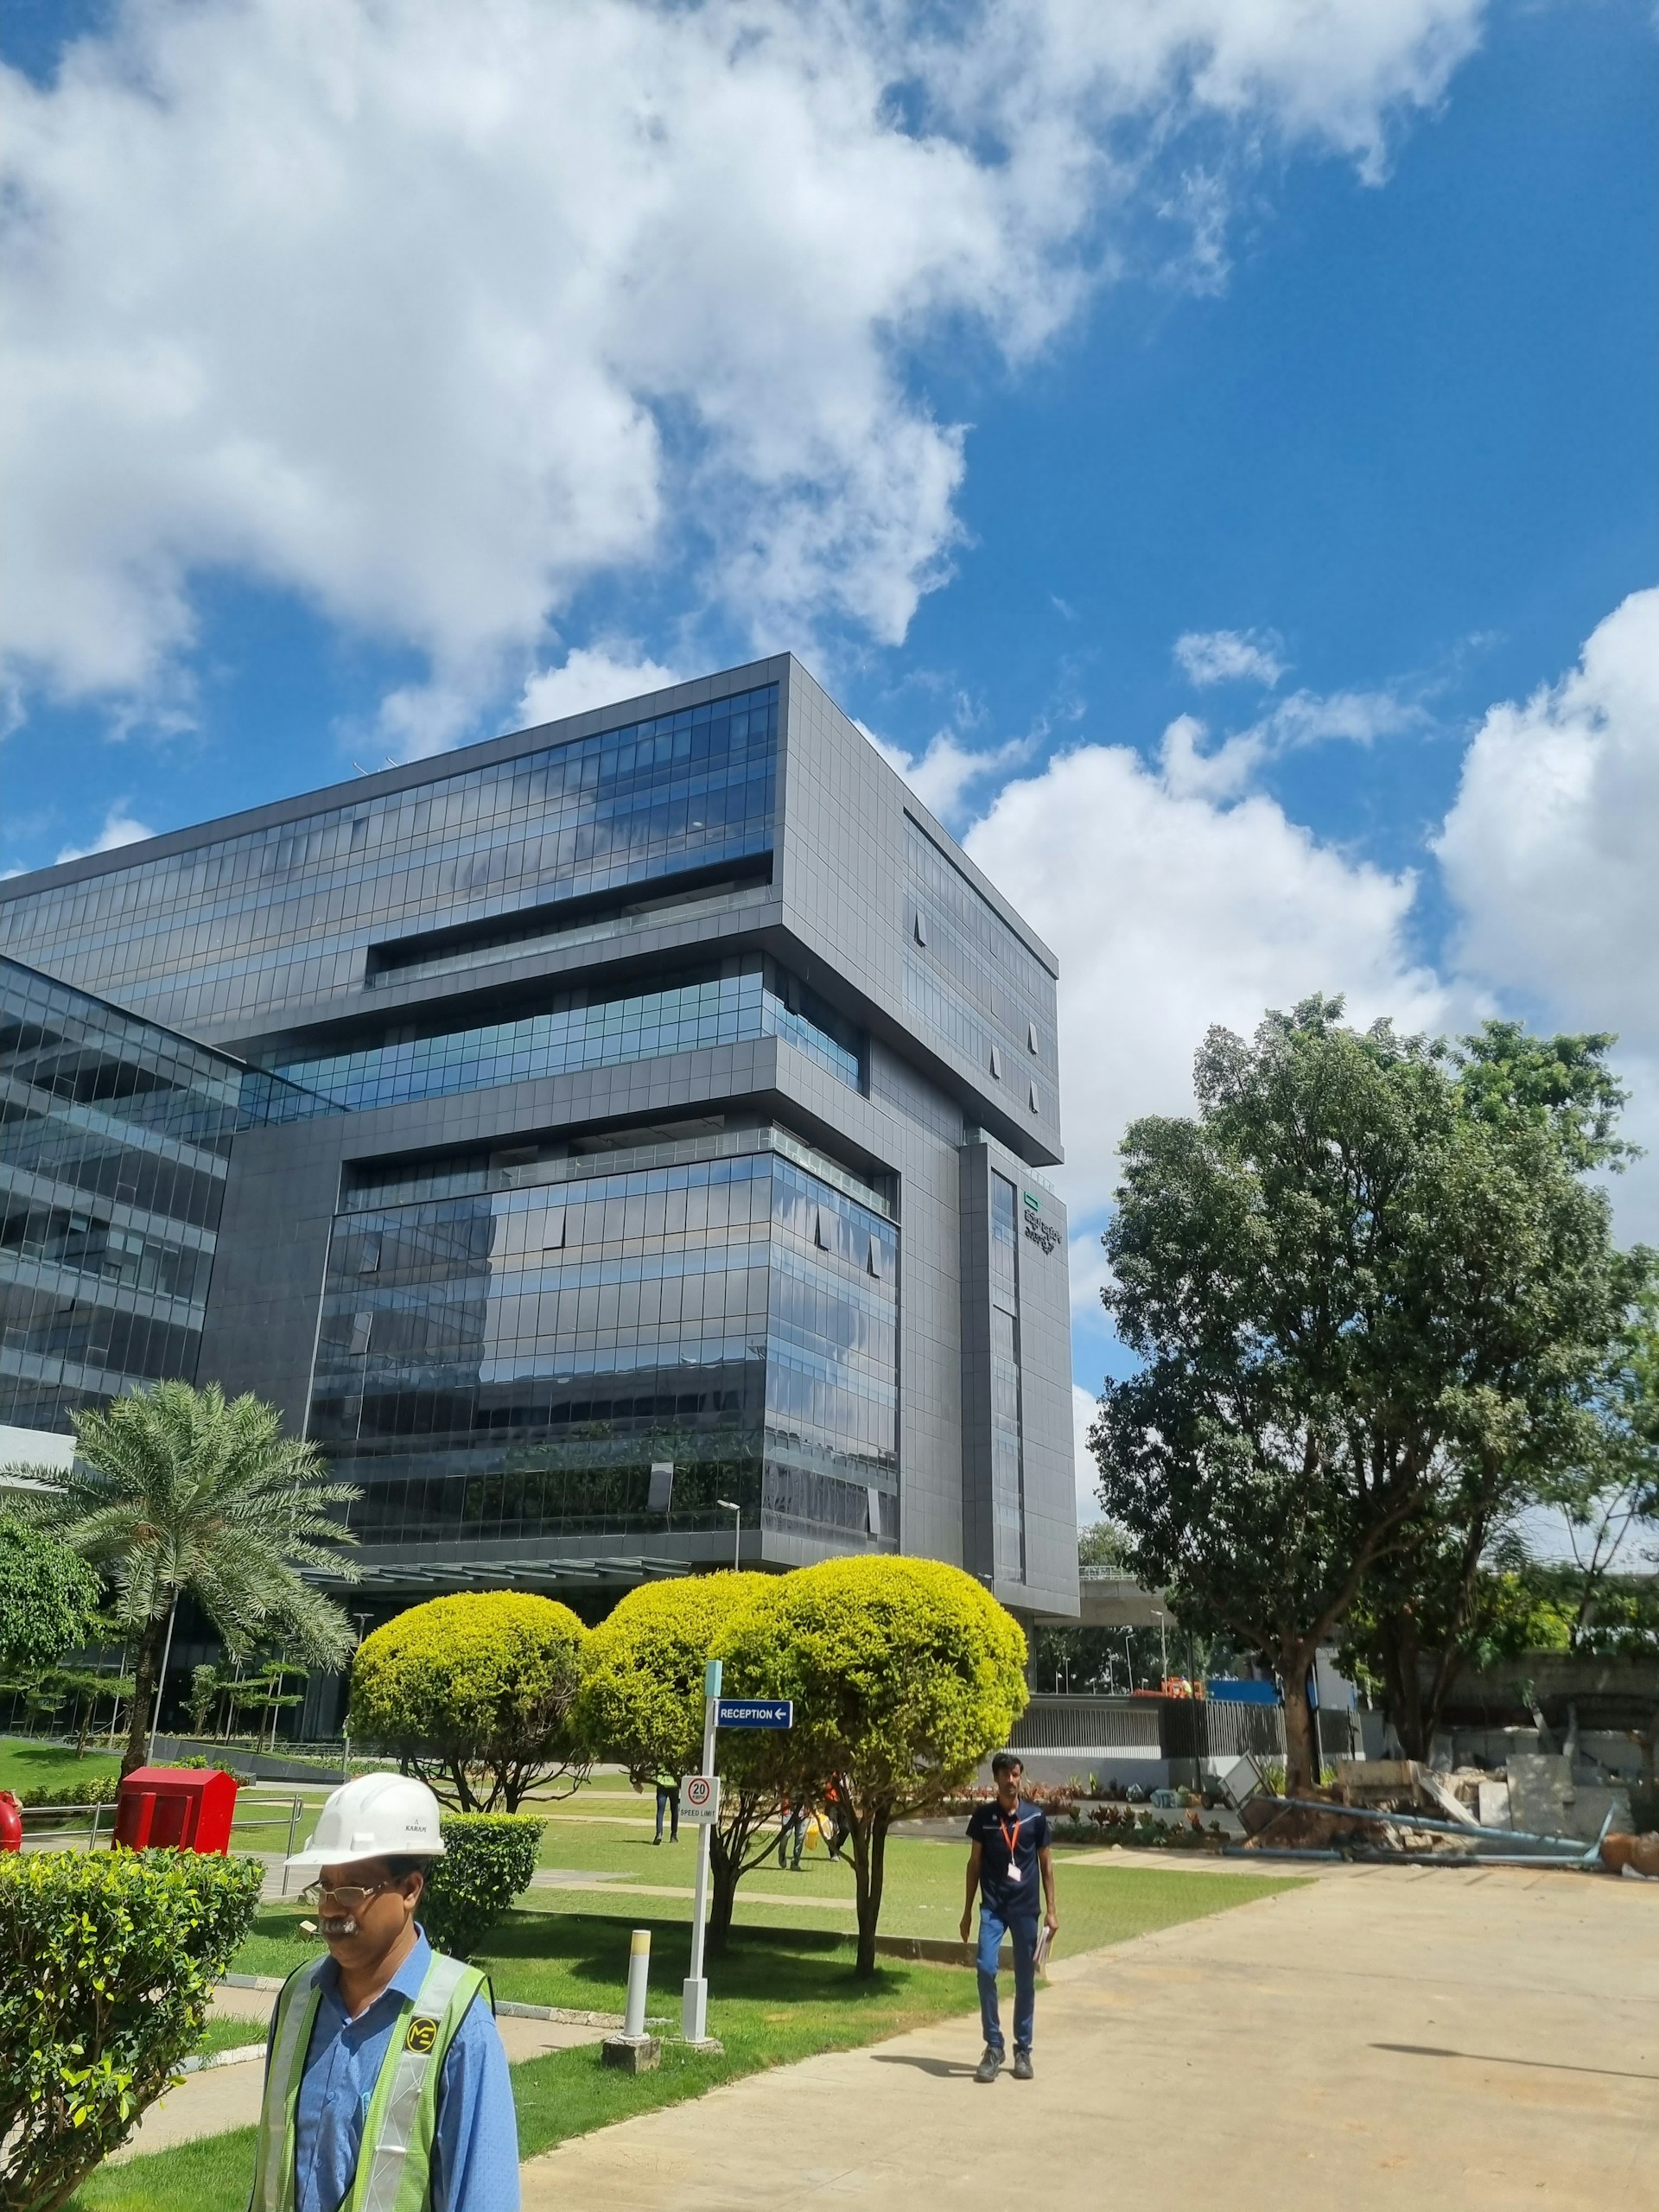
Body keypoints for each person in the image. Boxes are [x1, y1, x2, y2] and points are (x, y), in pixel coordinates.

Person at [251, 1771, 519, 2212]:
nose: (331, 1907)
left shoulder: (459, 2019)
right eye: (325, 1886)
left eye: (352, 1889)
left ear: (410, 1889)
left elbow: (484, 2196)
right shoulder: (300, 1998)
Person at [959, 1751, 1058, 2082]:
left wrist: (1052, 1912)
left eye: (1016, 1774)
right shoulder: (984, 1818)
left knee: (1025, 1979)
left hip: (1026, 1910)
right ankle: (994, 2046)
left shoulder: (1035, 1818)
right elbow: (974, 1865)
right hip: (993, 1909)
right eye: (1005, 1775)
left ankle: (1023, 2051)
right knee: (986, 1969)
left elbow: (1046, 1866)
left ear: (1021, 1777)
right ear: (996, 1779)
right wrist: (966, 1912)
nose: (1011, 1780)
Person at [775, 1795, 806, 1869]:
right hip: (788, 1811)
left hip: (802, 1812)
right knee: (786, 1835)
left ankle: (795, 1862)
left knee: (800, 1838)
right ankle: (782, 1853)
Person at [652, 1765, 680, 1845]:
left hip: (662, 1785)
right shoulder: (675, 1759)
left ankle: (659, 1834)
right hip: (674, 1785)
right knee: (674, 1811)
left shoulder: (660, 1758)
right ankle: (673, 1835)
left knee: (660, 1811)